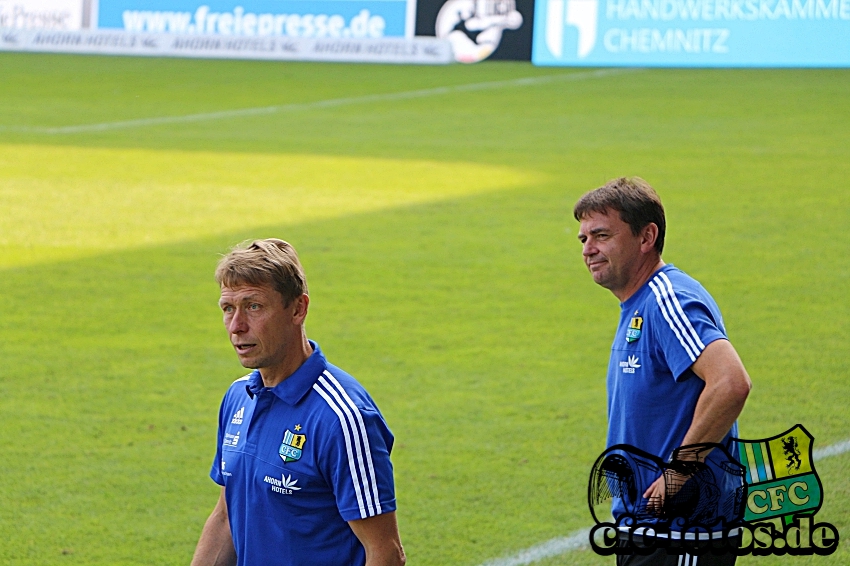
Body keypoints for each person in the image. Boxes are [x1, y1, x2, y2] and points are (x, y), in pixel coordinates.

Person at [191, 238, 406, 566]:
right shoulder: (238, 399)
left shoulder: (343, 418)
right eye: (228, 308)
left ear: (298, 309)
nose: (236, 327)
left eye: (254, 306)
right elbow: (225, 518)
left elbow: (386, 552)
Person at [574, 177, 752, 565]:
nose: (589, 249)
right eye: (583, 239)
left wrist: (679, 472)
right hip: (651, 527)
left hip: (682, 530)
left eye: (601, 235)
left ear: (646, 236)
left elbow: (731, 383)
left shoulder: (668, 299)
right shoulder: (639, 303)